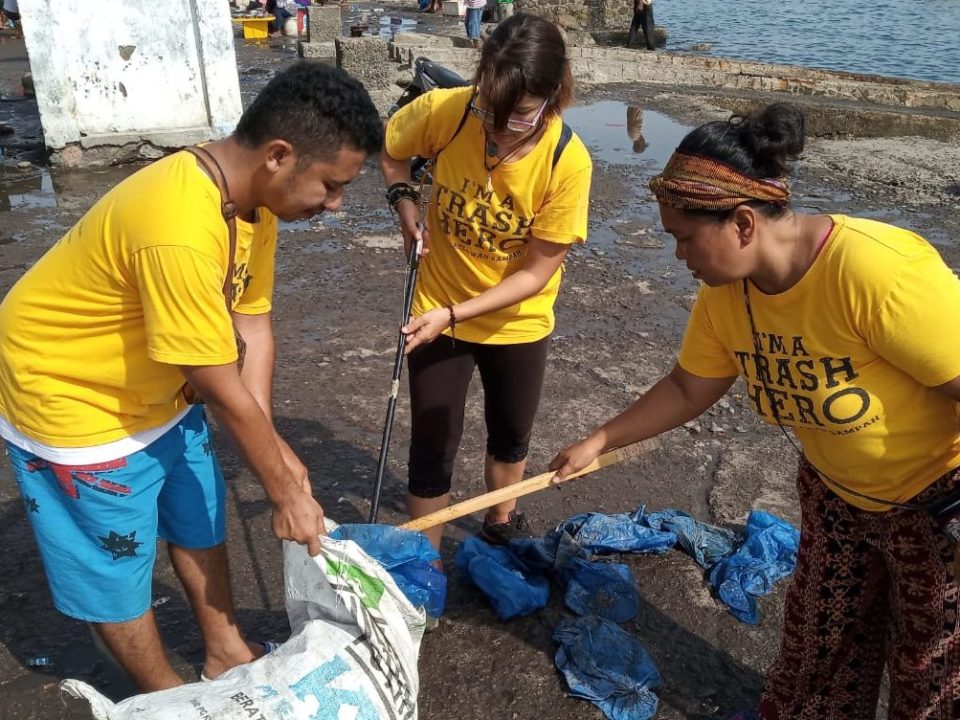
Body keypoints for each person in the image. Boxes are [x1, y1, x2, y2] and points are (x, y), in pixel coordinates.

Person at [550, 103, 960, 718]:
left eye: (685, 238)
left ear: (743, 223)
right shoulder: (726, 296)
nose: (679, 256)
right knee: (818, 664)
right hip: (837, 497)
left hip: (937, 507)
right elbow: (690, 387)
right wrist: (601, 440)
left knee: (931, 680)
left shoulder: (875, 272)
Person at [0, 62, 382, 692]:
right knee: (114, 561)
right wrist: (284, 489)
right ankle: (167, 696)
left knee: (199, 509)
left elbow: (251, 325)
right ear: (279, 156)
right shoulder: (179, 226)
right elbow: (214, 379)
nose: (335, 206)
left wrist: (278, 450)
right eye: (331, 186)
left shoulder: (251, 206)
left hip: (158, 382)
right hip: (68, 391)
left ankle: (225, 648)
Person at [380, 13, 592, 551]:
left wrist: (454, 315)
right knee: (432, 439)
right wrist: (404, 202)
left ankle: (500, 524)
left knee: (511, 433)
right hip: (437, 305)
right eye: (489, 110)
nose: (496, 129)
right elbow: (391, 152)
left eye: (518, 116)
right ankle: (425, 562)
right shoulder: (450, 112)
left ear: (553, 96)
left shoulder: (568, 163)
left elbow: (537, 272)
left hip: (516, 321)